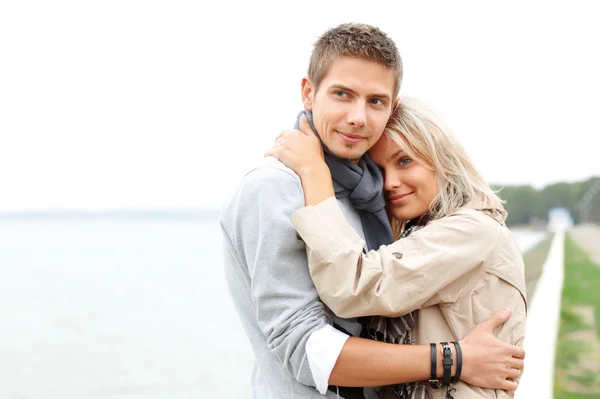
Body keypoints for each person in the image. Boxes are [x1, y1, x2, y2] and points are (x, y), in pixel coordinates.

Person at [221, 23, 524, 399]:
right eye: (342, 94)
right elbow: (306, 351)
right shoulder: (275, 188)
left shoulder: (370, 197)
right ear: (308, 92)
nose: (358, 117)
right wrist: (454, 359)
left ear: (391, 107)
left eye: (375, 101)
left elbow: (369, 292)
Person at [265, 96, 527, 398]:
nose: (389, 183)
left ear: (443, 158)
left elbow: (355, 286)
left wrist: (314, 173)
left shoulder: (470, 231)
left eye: (405, 161)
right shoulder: (428, 231)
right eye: (378, 171)